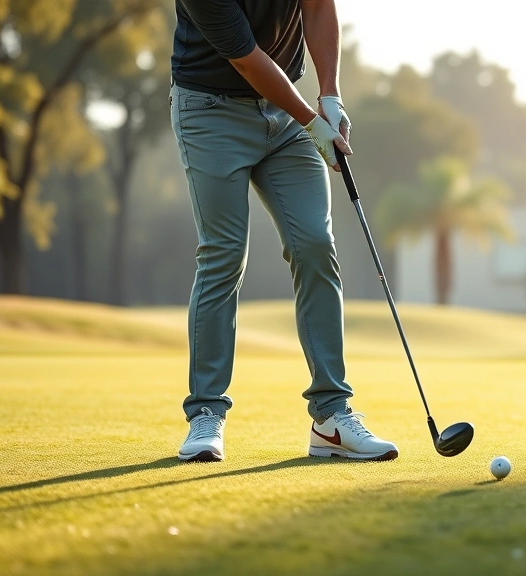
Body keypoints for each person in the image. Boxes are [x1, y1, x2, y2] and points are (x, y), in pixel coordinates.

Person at [169, 0, 398, 462]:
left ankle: (332, 418)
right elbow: (249, 58)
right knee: (224, 254)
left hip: (284, 115)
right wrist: (312, 122)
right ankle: (206, 414)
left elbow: (317, 5)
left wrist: (329, 95)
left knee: (315, 243)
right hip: (209, 111)